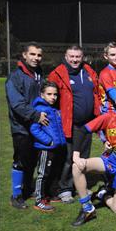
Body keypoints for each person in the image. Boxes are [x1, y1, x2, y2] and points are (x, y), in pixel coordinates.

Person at [70, 89, 116, 226]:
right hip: (111, 161)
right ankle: (87, 208)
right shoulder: (108, 117)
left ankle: (103, 194)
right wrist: (76, 155)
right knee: (76, 167)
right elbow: (83, 130)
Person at [49, 45, 100, 204]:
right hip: (70, 124)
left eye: (78, 56)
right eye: (71, 56)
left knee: (83, 158)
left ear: (82, 57)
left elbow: (96, 93)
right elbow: (49, 96)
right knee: (70, 158)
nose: (75, 59)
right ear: (66, 56)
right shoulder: (57, 73)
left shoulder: (88, 71)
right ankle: (65, 189)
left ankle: (80, 187)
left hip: (88, 124)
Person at [6, 42, 47, 208]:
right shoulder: (15, 76)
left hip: (36, 127)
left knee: (32, 160)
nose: (36, 58)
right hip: (21, 126)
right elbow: (17, 103)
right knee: (21, 160)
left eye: (39, 55)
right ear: (24, 55)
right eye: (32, 54)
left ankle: (27, 189)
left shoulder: (38, 74)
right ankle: (16, 196)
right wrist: (36, 115)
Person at [30, 81, 67, 212]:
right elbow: (34, 129)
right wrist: (48, 141)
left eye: (55, 94)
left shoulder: (54, 109)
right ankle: (39, 200)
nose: (53, 97)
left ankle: (50, 194)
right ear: (42, 95)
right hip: (46, 148)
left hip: (55, 148)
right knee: (43, 174)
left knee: (52, 172)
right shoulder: (40, 109)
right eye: (49, 94)